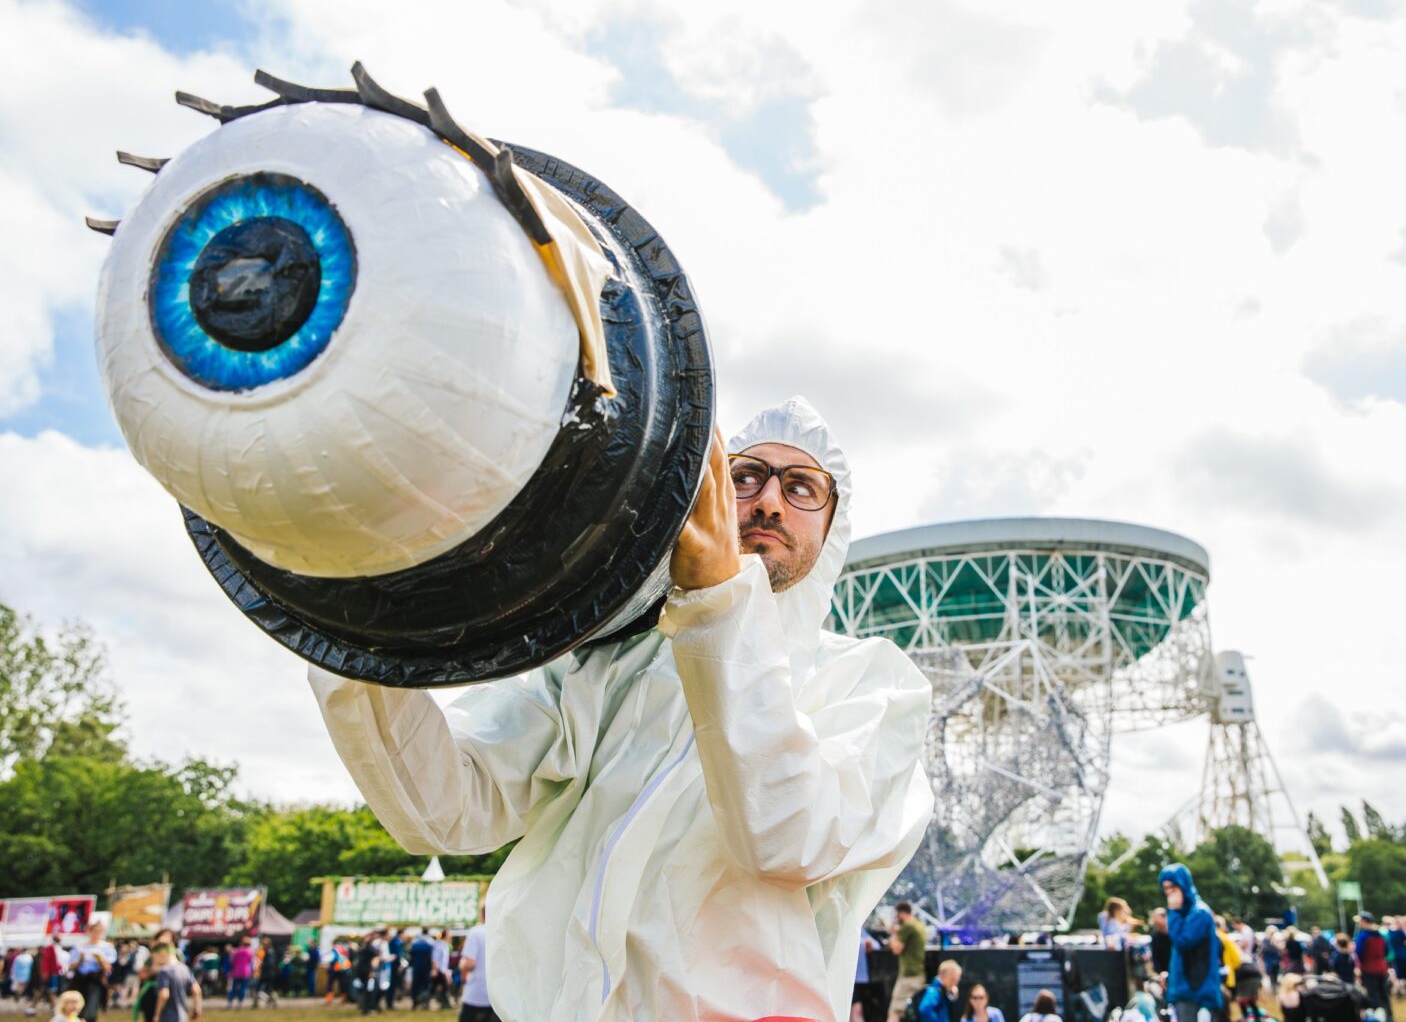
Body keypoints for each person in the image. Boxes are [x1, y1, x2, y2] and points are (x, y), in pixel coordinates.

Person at [308, 398, 935, 1021]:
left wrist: (719, 601)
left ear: (833, 526)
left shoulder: (873, 686)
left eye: (801, 487)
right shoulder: (610, 662)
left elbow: (787, 838)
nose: (768, 501)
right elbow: (446, 810)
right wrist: (354, 631)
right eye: (745, 476)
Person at [1159, 863, 1224, 1022]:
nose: (1169, 893)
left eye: (1173, 887)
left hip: (1196, 992)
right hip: (1185, 990)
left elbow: (1183, 941)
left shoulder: (1199, 913)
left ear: (1183, 885)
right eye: (1166, 888)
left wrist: (1173, 911)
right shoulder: (1185, 913)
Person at [67, 921, 117, 1022]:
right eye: (95, 931)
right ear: (90, 931)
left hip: (95, 980)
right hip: (80, 980)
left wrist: (100, 959)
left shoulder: (106, 947)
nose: (97, 934)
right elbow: (71, 967)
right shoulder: (80, 946)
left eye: (100, 931)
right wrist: (80, 959)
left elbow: (108, 968)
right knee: (76, 1006)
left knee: (91, 1008)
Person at [887, 902, 929, 1022]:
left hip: (908, 976)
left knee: (895, 1012)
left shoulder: (907, 926)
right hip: (919, 974)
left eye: (897, 915)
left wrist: (893, 936)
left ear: (901, 913)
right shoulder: (919, 925)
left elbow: (897, 949)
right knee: (913, 1012)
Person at [1355, 913, 1393, 1022]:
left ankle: (1379, 1018)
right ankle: (1389, 1017)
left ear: (1364, 921)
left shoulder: (1362, 935)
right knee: (1384, 994)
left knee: (1373, 995)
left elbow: (1359, 952)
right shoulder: (1381, 934)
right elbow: (1386, 951)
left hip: (1369, 968)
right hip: (1382, 968)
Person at [149, 944, 200, 1022]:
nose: (154, 962)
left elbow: (164, 994)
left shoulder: (164, 971)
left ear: (162, 954)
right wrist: (197, 1008)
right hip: (183, 1016)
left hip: (168, 1017)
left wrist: (157, 1015)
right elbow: (196, 990)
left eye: (154, 958)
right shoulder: (184, 968)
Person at [457, 918, 493, 1022]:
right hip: (497, 997)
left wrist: (461, 964)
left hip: (476, 994)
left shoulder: (476, 932)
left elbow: (470, 964)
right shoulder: (501, 931)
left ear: (482, 915)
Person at [408, 931, 435, 1010]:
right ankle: (425, 1003)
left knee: (416, 986)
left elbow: (411, 956)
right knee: (426, 986)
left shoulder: (414, 942)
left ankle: (415, 1003)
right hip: (426, 968)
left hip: (416, 967)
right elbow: (432, 957)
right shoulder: (430, 942)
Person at [225, 936, 254, 1009]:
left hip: (236, 972)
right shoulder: (250, 952)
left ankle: (229, 1002)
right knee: (243, 988)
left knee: (234, 988)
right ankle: (240, 1003)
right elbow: (251, 962)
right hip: (246, 972)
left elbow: (232, 962)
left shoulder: (237, 951)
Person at [1150, 908, 1172, 981]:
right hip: (1164, 972)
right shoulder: (1155, 936)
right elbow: (1155, 957)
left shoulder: (1174, 934)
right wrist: (1161, 972)